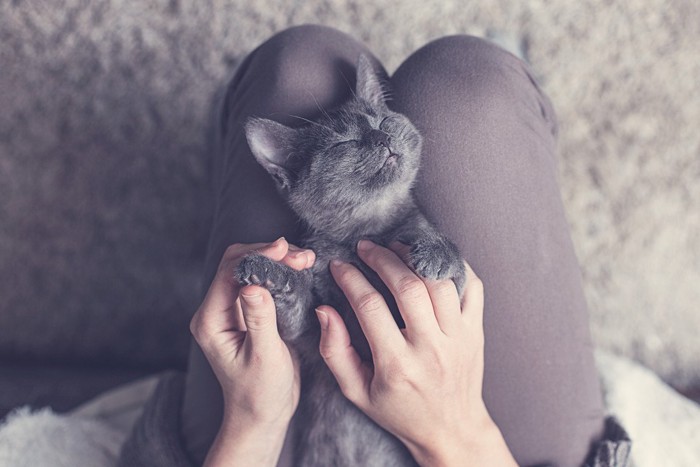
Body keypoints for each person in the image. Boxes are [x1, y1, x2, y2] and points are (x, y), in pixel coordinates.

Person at [118, 24, 631, 467]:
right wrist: (454, 430)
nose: (383, 141)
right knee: (468, 81)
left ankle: (232, 155)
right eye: (357, 141)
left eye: (384, 125)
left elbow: (296, 324)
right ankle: (513, 139)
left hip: (279, 438)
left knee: (298, 65)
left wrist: (253, 421)